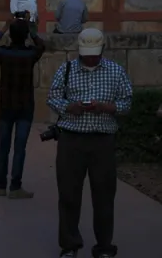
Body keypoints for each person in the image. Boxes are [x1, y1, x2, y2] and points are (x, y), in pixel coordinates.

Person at [47, 28, 133, 258]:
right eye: (87, 53)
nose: (91, 57)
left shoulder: (115, 72)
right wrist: (68, 107)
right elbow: (53, 96)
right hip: (70, 140)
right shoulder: (66, 69)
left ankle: (104, 246)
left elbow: (126, 102)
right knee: (68, 195)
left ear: (102, 49)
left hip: (102, 141)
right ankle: (69, 245)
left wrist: (106, 107)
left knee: (104, 196)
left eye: (94, 53)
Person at [0, 18, 45, 198]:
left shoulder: (4, 54)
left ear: (10, 35)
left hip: (6, 106)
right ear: (26, 35)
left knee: (3, 147)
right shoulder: (30, 55)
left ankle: (1, 185)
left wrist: (3, 28)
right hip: (25, 106)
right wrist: (32, 31)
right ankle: (15, 186)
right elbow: (42, 46)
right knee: (20, 148)